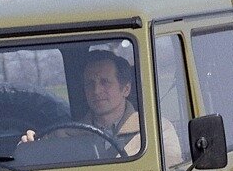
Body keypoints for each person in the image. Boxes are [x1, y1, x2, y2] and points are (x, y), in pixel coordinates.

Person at [20, 49, 183, 164]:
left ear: (126, 88)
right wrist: (29, 147)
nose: (96, 90)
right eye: (90, 83)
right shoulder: (62, 136)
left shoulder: (156, 130)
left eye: (105, 82)